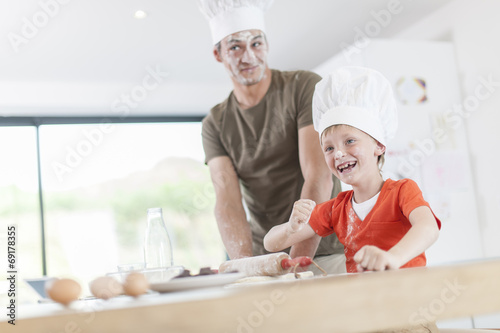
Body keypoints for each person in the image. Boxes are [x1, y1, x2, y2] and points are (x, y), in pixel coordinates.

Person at [198, 0, 345, 274]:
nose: (249, 56)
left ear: (267, 45)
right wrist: (246, 267)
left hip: (326, 250)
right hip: (267, 258)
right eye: (235, 47)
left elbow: (318, 176)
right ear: (218, 54)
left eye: (256, 44)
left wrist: (296, 265)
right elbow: (228, 202)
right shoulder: (215, 123)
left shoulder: (303, 87)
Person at [264, 66, 441, 273]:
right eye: (329, 148)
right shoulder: (337, 209)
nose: (338, 153)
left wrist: (392, 258)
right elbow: (270, 243)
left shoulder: (402, 191)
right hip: (363, 301)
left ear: (379, 146)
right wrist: (290, 228)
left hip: (410, 296)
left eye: (349, 141)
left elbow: (428, 228)